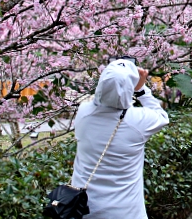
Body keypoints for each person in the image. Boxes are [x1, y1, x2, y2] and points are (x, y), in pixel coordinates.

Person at [71, 57, 169, 219]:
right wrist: (141, 88)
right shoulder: (137, 122)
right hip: (126, 213)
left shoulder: (84, 113)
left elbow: (102, 100)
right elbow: (162, 116)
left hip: (85, 210)